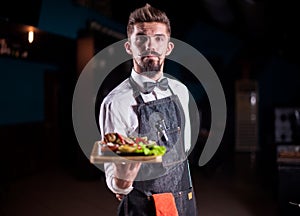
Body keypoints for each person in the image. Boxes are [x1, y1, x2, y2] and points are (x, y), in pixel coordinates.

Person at [99, 3, 198, 215]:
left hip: (183, 199)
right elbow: (114, 177)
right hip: (144, 207)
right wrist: (123, 181)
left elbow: (185, 147)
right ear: (129, 46)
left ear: (168, 47)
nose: (150, 46)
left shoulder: (180, 90)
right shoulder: (116, 102)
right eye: (141, 38)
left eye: (159, 39)